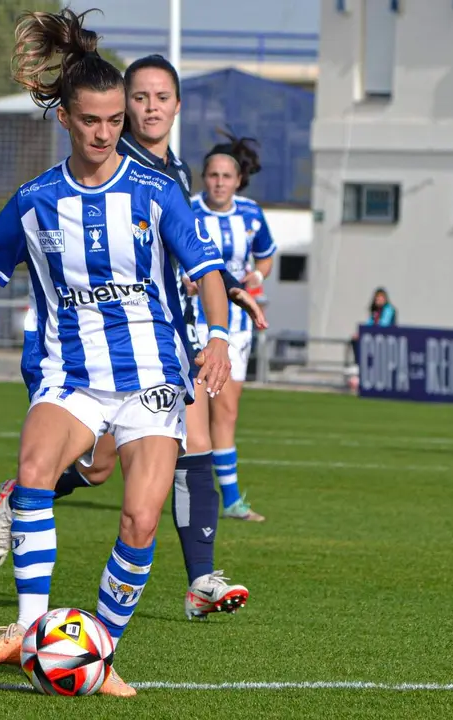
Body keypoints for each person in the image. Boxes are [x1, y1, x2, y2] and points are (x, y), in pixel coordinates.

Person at [0, 8, 233, 697]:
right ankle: (26, 629)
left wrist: (217, 336)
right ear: (66, 120)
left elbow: (207, 273)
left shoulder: (158, 194)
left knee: (139, 516)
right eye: (91, 120)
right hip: (70, 372)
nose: (105, 132)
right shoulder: (36, 201)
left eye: (114, 120)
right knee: (35, 467)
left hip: (152, 376)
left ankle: (96, 653)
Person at [0, 54, 263, 621]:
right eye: (141, 98)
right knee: (99, 467)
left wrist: (222, 293)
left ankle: (199, 580)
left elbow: (187, 249)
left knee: (196, 442)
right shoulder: (111, 160)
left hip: (164, 339)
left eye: (162, 97)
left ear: (178, 106)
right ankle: (24, 498)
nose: (150, 107)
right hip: (94, 345)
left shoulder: (174, 174)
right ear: (122, 108)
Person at [184, 132, 277, 522]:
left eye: (226, 175)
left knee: (227, 410)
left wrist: (255, 275)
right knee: (192, 411)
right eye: (212, 175)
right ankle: (185, 492)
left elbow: (267, 257)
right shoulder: (186, 210)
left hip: (235, 327)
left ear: (238, 180)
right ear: (203, 179)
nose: (219, 182)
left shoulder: (252, 215)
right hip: (192, 324)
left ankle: (232, 500)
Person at [349, 287, 397, 366]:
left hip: (384, 336)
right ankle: (358, 363)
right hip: (374, 334)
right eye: (377, 298)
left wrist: (371, 330)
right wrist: (360, 333)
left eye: (381, 297)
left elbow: (384, 324)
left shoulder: (389, 309)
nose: (378, 299)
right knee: (355, 339)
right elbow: (369, 324)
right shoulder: (375, 312)